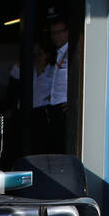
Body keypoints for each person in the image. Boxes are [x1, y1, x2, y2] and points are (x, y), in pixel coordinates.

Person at [46, 17, 73, 152]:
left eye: (59, 32)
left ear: (67, 32)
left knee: (64, 145)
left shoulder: (73, 52)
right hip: (53, 106)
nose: (55, 37)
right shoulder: (54, 54)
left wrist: (73, 101)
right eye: (53, 33)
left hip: (64, 108)